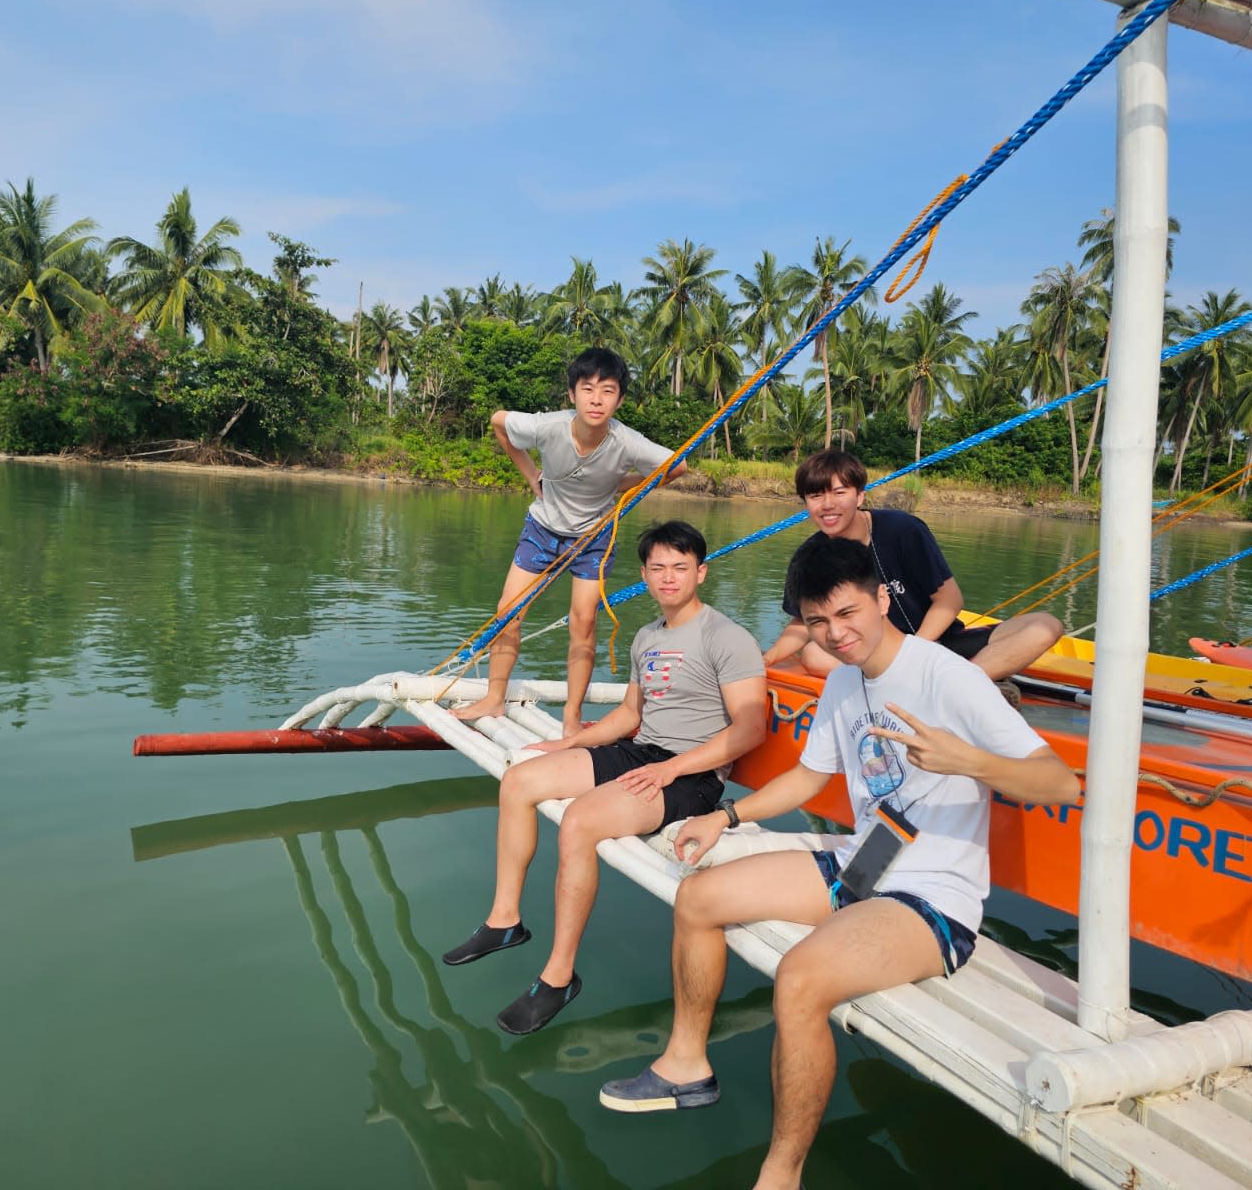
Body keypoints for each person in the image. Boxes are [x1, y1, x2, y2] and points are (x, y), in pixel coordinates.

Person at [600, 535, 1079, 1190]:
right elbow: (805, 779)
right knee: (698, 898)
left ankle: (781, 1174)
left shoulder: (951, 678)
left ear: (882, 599)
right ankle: (687, 1067)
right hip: (868, 859)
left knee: (799, 981)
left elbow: (1060, 783)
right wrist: (725, 816)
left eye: (848, 612)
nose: (837, 632)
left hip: (933, 897)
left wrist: (967, 761)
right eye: (819, 621)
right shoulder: (846, 684)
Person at [443, 521, 767, 1035]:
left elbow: (752, 728)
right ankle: (505, 921)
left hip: (693, 777)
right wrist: (568, 741)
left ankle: (558, 976)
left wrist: (673, 769)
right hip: (642, 753)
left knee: (580, 821)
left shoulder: (727, 638)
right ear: (643, 574)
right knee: (520, 780)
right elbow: (629, 716)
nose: (668, 578)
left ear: (700, 573)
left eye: (680, 568)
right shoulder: (647, 636)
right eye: (657, 568)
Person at [451, 347, 685, 736]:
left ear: (620, 399)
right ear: (572, 394)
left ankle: (572, 717)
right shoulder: (549, 426)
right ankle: (494, 697)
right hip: (543, 530)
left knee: (584, 621)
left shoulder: (627, 442)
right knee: (507, 614)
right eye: (588, 388)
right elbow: (498, 422)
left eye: (608, 390)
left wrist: (618, 485)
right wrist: (529, 474)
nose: (597, 399)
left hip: (593, 538)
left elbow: (677, 466)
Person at [761, 450, 1063, 700]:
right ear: (805, 503)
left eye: (839, 493)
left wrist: (915, 652)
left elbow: (949, 599)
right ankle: (956, 686)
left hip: (937, 642)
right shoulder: (811, 555)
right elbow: (803, 623)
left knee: (1045, 626)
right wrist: (768, 658)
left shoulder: (902, 530)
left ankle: (960, 687)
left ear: (860, 496)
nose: (827, 505)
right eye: (815, 496)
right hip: (876, 655)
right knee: (814, 654)